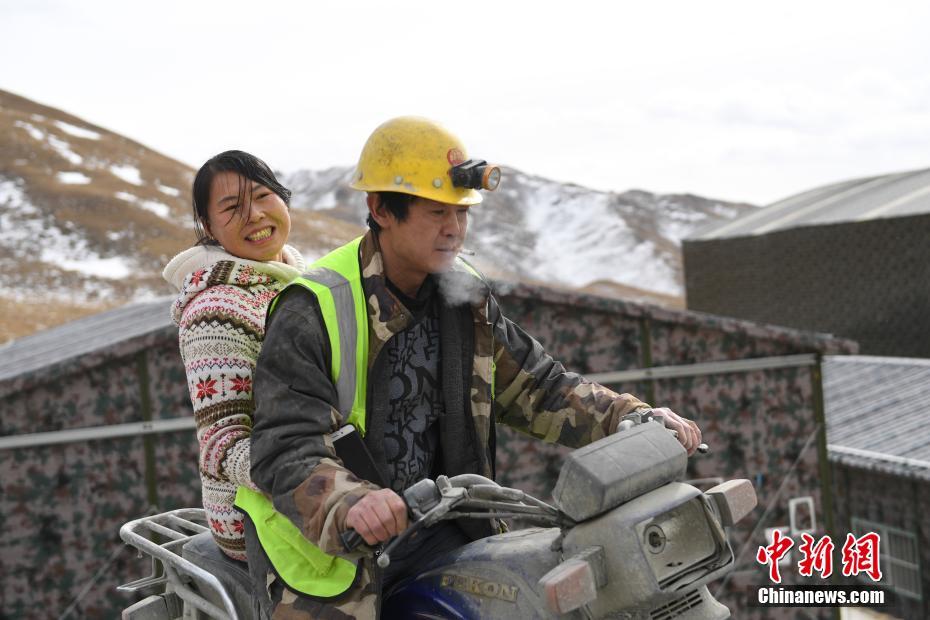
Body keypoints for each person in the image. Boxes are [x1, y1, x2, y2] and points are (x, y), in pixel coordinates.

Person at [239, 117, 702, 618]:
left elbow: (539, 388)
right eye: (438, 211)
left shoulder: (464, 295)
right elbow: (284, 448)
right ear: (380, 209)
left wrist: (632, 417)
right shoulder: (312, 308)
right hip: (330, 557)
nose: (454, 229)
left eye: (462, 213)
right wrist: (351, 503)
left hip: (438, 529)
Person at [162, 150, 305, 561]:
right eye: (231, 208)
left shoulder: (300, 282)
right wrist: (318, 484)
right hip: (254, 515)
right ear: (208, 227)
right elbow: (222, 443)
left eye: (262, 196)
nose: (254, 215)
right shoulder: (216, 310)